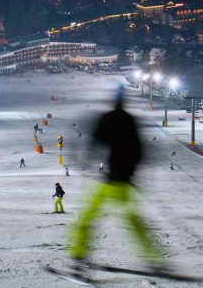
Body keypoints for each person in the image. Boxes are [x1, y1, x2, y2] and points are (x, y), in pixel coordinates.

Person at [68, 89, 164, 275]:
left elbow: (96, 141)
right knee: (133, 221)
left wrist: (86, 160)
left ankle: (79, 259)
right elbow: (139, 150)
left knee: (87, 218)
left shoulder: (110, 119)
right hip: (122, 180)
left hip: (110, 180)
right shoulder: (129, 121)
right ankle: (154, 259)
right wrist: (131, 172)